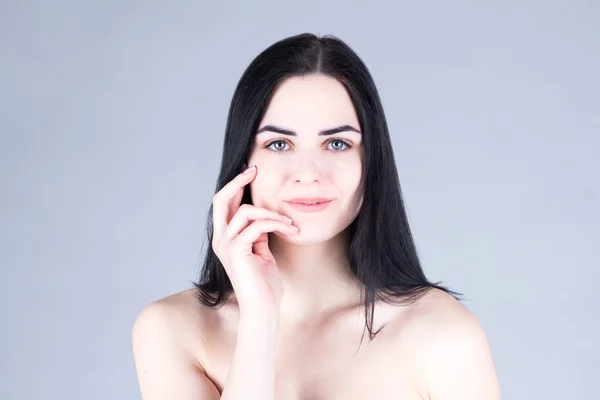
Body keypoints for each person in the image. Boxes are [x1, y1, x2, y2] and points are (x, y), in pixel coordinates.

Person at [132, 32, 502, 399]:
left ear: (371, 162)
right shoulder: (173, 329)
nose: (308, 172)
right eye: (279, 144)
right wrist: (259, 319)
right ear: (243, 159)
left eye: (337, 143)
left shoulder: (442, 335)